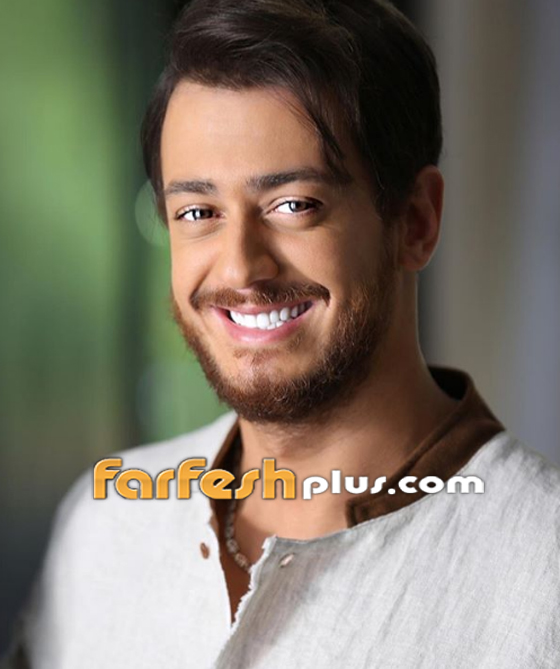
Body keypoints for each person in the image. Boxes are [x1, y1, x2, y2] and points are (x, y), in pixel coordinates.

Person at [4, 0, 559, 667]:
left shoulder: (543, 572)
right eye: (198, 211)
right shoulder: (103, 526)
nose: (240, 267)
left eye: (293, 205)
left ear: (416, 221)